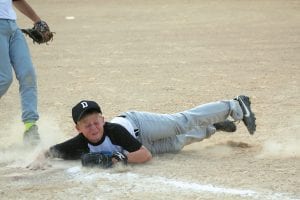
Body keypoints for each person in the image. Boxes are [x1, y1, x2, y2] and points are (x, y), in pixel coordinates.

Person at [27, 95, 256, 169]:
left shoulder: (113, 130)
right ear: (78, 129)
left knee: (179, 123)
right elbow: (48, 153)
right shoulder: (77, 144)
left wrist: (113, 158)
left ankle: (234, 105)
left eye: (96, 122)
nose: (93, 127)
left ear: (103, 120)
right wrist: (29, 168)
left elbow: (144, 156)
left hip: (138, 126)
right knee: (177, 143)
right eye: (86, 125)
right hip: (138, 145)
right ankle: (212, 126)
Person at [0, 0, 50, 145]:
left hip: (12, 27)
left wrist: (38, 21)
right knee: (4, 78)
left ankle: (30, 127)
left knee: (28, 75)